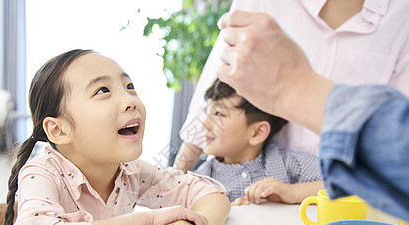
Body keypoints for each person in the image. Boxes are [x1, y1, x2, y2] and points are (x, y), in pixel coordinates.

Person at [0, 49, 231, 225]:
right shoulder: (41, 173)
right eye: (102, 90)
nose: (130, 100)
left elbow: (210, 193)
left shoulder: (131, 171)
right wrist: (147, 221)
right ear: (58, 130)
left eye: (129, 86)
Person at [216, 10, 409, 221]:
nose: (209, 125)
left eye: (218, 114)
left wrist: (296, 88)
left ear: (260, 131)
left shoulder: (287, 162)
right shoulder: (208, 170)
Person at [174, 0, 409, 173]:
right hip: (262, 191)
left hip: (346, 199)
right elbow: (216, 89)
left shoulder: (402, 17)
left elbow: (397, 135)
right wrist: (175, 178)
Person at [195, 78, 323, 204]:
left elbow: (340, 185)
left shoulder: (287, 163)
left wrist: (291, 192)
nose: (204, 124)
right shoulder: (202, 181)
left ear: (258, 133)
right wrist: (223, 214)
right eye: (207, 112)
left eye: (218, 114)